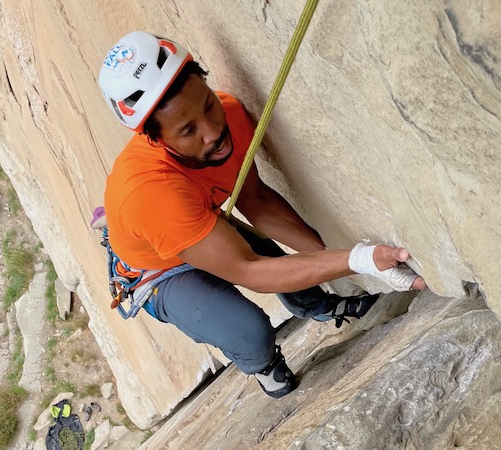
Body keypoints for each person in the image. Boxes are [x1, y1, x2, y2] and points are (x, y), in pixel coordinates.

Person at [98, 31, 427, 399]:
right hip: (157, 269)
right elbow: (248, 270)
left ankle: (319, 305)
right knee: (249, 329)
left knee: (276, 255)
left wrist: (336, 259)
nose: (213, 132)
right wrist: (360, 260)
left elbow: (255, 200)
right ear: (156, 140)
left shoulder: (231, 115)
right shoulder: (151, 195)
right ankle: (264, 364)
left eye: (207, 104)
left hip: (195, 217)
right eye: (188, 131)